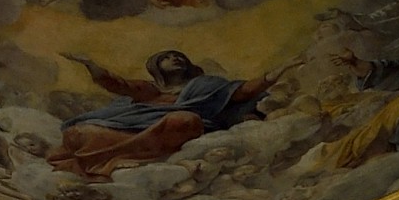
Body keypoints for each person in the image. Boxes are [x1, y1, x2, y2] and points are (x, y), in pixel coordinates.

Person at [50, 50, 271, 176]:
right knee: (77, 133)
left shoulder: (205, 86)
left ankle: (113, 160)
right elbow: (116, 83)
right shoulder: (149, 90)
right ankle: (119, 158)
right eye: (168, 57)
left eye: (180, 57)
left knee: (183, 120)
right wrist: (89, 63)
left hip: (174, 133)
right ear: (156, 66)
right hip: (133, 134)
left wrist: (275, 74)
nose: (176, 59)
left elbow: (242, 92)